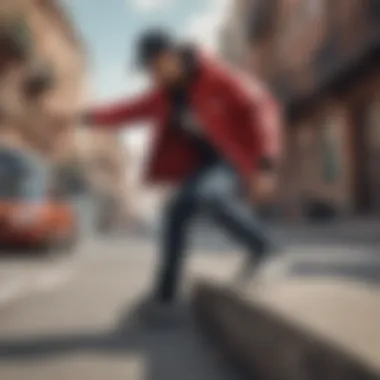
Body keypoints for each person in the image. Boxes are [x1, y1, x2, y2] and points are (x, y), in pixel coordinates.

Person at [81, 29, 282, 315]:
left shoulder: (216, 76)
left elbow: (260, 108)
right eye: (148, 70)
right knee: (175, 213)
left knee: (209, 195)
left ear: (171, 56)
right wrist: (85, 118)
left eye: (155, 66)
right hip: (206, 165)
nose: (153, 75)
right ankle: (166, 296)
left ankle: (265, 249)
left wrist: (266, 164)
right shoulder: (165, 96)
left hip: (236, 157)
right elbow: (128, 110)